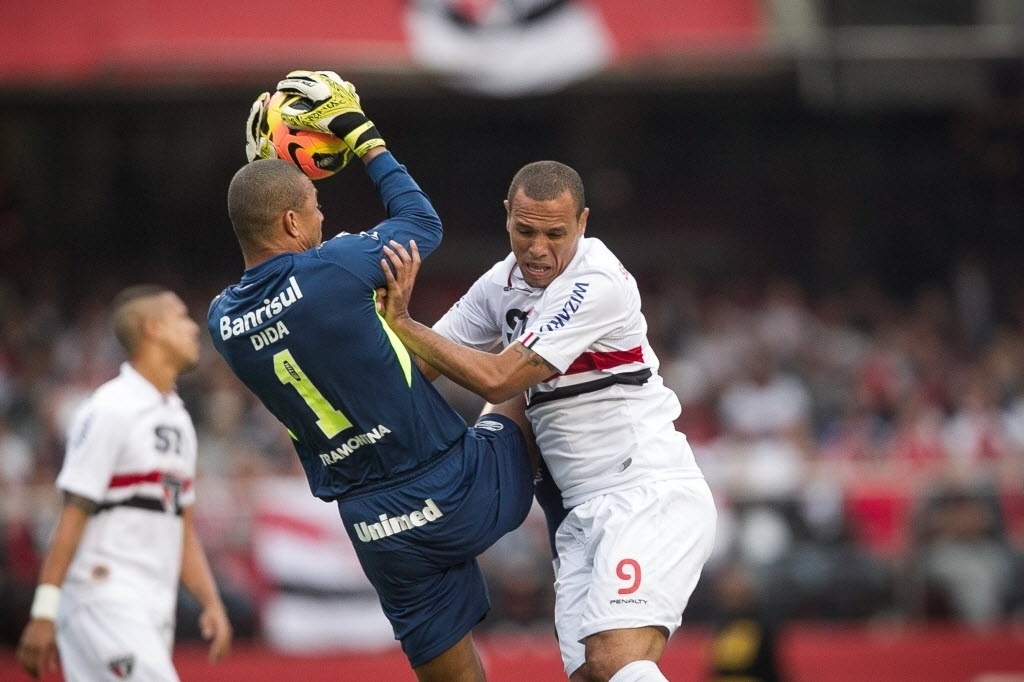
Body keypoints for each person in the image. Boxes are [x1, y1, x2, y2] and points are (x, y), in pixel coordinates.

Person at [210, 70, 536, 682]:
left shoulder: (222, 320)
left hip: (375, 524)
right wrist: (363, 136)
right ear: (288, 223)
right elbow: (422, 222)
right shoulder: (333, 270)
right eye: (313, 208)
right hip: (455, 481)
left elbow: (343, 350)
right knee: (522, 376)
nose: (322, 216)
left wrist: (266, 168)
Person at [378, 160, 718, 682]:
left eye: (556, 234)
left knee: (616, 659)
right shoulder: (502, 283)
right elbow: (419, 366)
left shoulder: (596, 280)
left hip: (645, 493)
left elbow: (498, 379)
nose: (538, 249)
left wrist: (402, 321)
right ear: (507, 217)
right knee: (590, 675)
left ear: (582, 223)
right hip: (581, 512)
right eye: (526, 231)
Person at [15, 285, 233, 681]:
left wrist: (211, 602)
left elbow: (180, 526)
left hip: (153, 603)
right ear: (152, 328)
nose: (193, 328)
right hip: (103, 596)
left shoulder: (179, 419)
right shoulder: (110, 409)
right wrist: (44, 611)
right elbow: (72, 513)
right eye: (182, 317)